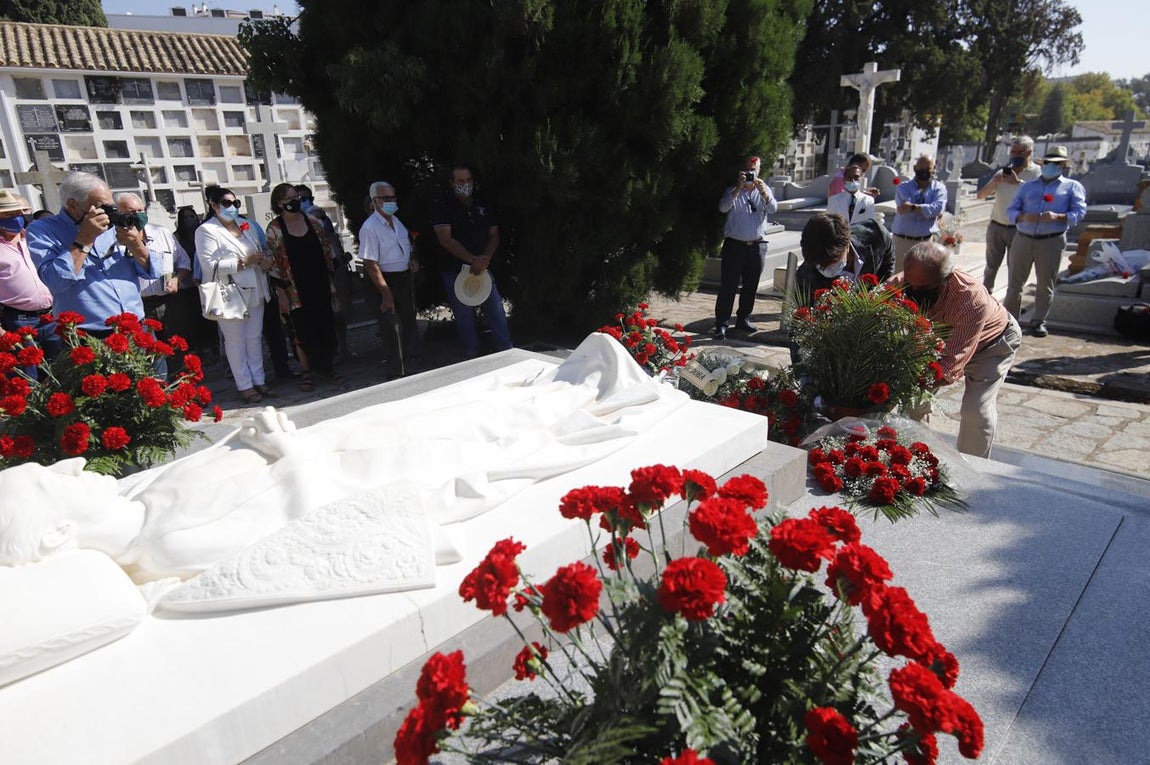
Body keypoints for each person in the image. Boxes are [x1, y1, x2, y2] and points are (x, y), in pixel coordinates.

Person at [0, 332, 685, 584]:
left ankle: (570, 390)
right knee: (485, 427)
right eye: (53, 481)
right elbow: (308, 529)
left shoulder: (140, 500)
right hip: (369, 468)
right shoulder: (166, 544)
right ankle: (585, 396)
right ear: (61, 534)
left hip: (350, 440)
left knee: (452, 412)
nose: (68, 465)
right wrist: (283, 449)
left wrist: (261, 439)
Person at [899, 241, 1021, 458]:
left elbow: (950, 361)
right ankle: (911, 457)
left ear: (945, 280)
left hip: (992, 343)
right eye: (911, 286)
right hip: (938, 340)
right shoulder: (901, 283)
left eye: (925, 288)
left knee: (976, 410)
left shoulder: (971, 299)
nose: (915, 292)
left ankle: (974, 468)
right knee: (913, 403)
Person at [26, 171, 155, 336]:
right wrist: (85, 238)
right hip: (90, 335)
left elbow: (152, 271)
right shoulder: (42, 230)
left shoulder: (112, 224)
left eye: (111, 206)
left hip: (136, 325)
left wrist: (137, 245)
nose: (108, 213)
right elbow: (55, 281)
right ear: (73, 205)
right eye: (102, 206)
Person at [194, 185, 277, 403]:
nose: (232, 207)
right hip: (230, 292)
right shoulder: (207, 230)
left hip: (255, 288)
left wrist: (264, 260)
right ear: (213, 205)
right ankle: (245, 385)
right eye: (227, 204)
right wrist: (242, 262)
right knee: (235, 340)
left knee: (254, 337)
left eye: (235, 203)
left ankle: (259, 380)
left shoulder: (244, 225)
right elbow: (208, 265)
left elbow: (258, 249)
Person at [264, 182, 342, 391]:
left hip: (320, 283)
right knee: (300, 331)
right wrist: (280, 292)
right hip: (294, 289)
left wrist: (332, 281)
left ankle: (328, 366)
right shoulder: (275, 229)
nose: (294, 201)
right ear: (279, 203)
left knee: (326, 325)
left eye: (295, 197)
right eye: (288, 199)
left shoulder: (313, 222)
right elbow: (273, 263)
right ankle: (306, 371)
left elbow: (327, 251)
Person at [1003, 145, 1087, 338]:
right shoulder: (1028, 186)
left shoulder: (1072, 187)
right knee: (1015, 282)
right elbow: (1012, 210)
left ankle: (1038, 320)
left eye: (1055, 163)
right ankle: (1010, 320)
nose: (1050, 166)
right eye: (1047, 162)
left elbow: (1079, 212)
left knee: (1045, 283)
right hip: (1024, 237)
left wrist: (1058, 217)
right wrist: (1022, 216)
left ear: (1063, 166)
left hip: (1051, 240)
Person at [432, 164, 513, 358]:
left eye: (468, 180)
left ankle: (507, 351)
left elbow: (494, 235)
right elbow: (445, 239)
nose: (465, 184)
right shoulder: (443, 206)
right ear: (452, 182)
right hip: (455, 270)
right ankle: (472, 355)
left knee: (495, 310)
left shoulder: (482, 203)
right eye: (460, 181)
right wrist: (472, 259)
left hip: (483, 268)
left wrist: (484, 259)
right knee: (464, 316)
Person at [114, 193, 192, 376]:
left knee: (177, 345)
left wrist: (177, 279)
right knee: (151, 353)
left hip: (170, 301)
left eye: (141, 210)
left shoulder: (161, 233)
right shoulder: (115, 241)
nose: (138, 215)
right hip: (141, 306)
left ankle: (181, 385)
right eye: (132, 211)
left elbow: (184, 263)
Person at [714, 155, 777, 339]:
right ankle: (721, 323)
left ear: (759, 171)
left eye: (754, 170)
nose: (751, 174)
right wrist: (738, 188)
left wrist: (763, 192)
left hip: (757, 246)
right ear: (742, 171)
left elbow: (773, 208)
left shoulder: (765, 190)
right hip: (735, 245)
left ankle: (743, 318)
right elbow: (723, 208)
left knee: (751, 286)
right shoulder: (732, 190)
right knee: (728, 286)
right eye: (748, 171)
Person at [360, 181, 418, 380]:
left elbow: (405, 248)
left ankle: (408, 366)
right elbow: (370, 263)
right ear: (375, 201)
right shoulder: (370, 227)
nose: (390, 201)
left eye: (393, 197)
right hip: (385, 281)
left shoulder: (398, 223)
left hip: (403, 278)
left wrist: (411, 262)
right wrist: (386, 293)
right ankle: (396, 373)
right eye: (386, 198)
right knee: (391, 328)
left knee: (408, 322)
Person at [0, 189, 59, 368]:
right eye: (8, 215)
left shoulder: (35, 238)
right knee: (27, 378)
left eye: (18, 213)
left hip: (51, 317)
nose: (16, 218)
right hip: (17, 321)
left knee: (62, 374)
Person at [974, 136, 1041, 291]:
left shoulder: (1036, 173)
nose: (1015, 155)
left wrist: (1018, 183)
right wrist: (994, 182)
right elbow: (980, 195)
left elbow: (1039, 198)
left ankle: (1011, 302)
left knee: (1015, 269)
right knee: (990, 267)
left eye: (1020, 152)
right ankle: (985, 297)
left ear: (1029, 152)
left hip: (1019, 229)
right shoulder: (1003, 173)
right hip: (996, 226)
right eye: (1013, 152)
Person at [296, 183, 353, 361]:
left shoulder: (320, 216)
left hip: (333, 270)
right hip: (310, 274)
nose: (304, 202)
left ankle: (343, 349)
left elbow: (330, 240)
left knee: (339, 312)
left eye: (306, 198)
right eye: (299, 199)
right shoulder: (291, 223)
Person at [794, 212, 893, 296]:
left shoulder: (877, 236)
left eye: (832, 263)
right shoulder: (805, 277)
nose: (827, 269)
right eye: (820, 266)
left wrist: (880, 293)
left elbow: (887, 263)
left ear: (847, 246)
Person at [890, 154, 947, 272]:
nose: (924, 171)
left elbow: (937, 208)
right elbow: (902, 208)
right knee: (898, 276)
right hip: (902, 241)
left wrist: (913, 206)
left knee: (922, 276)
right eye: (921, 168)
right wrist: (926, 209)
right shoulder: (903, 187)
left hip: (925, 241)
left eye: (927, 169)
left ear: (934, 168)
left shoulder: (939, 189)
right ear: (915, 168)